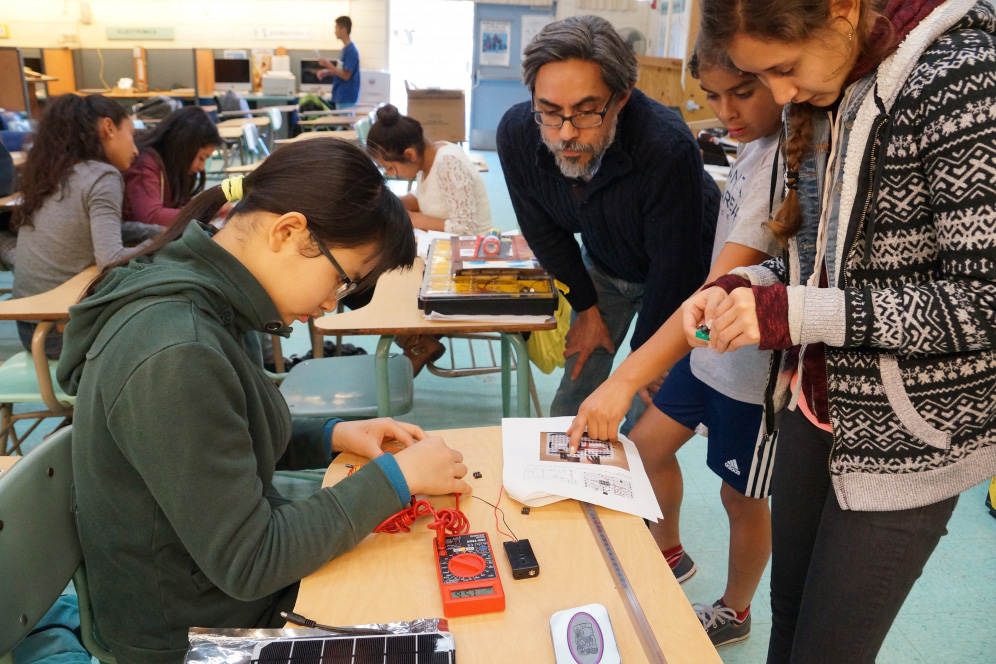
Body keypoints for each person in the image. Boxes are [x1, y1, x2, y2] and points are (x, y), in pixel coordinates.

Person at [56, 138, 471, 664]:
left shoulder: (213, 296)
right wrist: (398, 479)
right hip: (189, 635)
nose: (328, 304)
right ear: (288, 231)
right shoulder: (177, 350)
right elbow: (252, 559)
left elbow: (219, 444)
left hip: (212, 593)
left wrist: (329, 435)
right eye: (342, 281)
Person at [691, 0, 996, 661]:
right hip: (813, 409)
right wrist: (750, 285)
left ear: (842, 10)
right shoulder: (831, 83)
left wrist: (794, 313)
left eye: (782, 68)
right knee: (789, 616)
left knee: (829, 648)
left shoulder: (962, 77)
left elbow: (982, 303)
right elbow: (822, 263)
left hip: (908, 444)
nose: (780, 94)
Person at [568, 37, 785, 647]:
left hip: (754, 374)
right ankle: (669, 554)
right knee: (644, 447)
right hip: (708, 354)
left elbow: (723, 281)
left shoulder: (786, 161)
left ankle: (735, 610)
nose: (726, 110)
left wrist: (627, 376)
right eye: (714, 96)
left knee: (740, 498)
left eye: (742, 92)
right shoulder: (750, 150)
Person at [496, 15, 720, 434]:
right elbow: (544, 231)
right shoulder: (517, 134)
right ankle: (563, 481)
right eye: (549, 111)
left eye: (585, 112)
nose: (565, 133)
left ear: (621, 98)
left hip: (683, 278)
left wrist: (642, 364)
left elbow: (673, 271)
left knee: (647, 409)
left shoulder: (667, 148)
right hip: (605, 262)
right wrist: (586, 309)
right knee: (579, 379)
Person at [12, 94, 160, 358]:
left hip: (29, 329)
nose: (136, 149)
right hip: (64, 332)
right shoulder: (103, 176)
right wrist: (161, 243)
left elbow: (86, 229)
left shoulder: (55, 171)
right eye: (132, 135)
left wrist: (152, 233)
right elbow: (110, 261)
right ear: (108, 128)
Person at [366, 103, 494, 374]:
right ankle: (417, 341)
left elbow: (465, 229)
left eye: (388, 167)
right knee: (369, 269)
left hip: (470, 258)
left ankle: (417, 342)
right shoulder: (429, 159)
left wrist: (409, 219)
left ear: (409, 154)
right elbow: (428, 201)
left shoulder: (448, 162)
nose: (389, 174)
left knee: (370, 280)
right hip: (446, 250)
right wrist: (390, 203)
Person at [123, 106, 222, 227]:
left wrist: (210, 205)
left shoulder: (170, 165)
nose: (202, 167)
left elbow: (176, 205)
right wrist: (206, 209)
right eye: (201, 158)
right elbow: (151, 216)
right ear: (184, 148)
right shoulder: (144, 163)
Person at [318, 15, 360, 109]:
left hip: (347, 97)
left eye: (336, 28)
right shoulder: (344, 50)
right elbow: (340, 71)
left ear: (344, 29)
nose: (335, 31)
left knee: (345, 123)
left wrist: (328, 64)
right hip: (340, 95)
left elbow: (346, 76)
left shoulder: (351, 51)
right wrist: (327, 72)